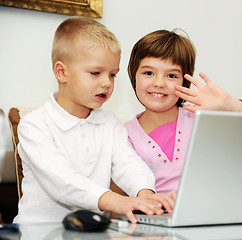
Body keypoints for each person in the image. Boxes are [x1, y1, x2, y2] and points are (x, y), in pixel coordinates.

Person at [13, 17, 174, 225]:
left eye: (113, 75)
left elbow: (129, 163)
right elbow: (62, 180)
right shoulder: (34, 125)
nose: (107, 82)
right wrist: (117, 202)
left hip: (96, 230)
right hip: (40, 232)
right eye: (96, 73)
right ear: (62, 72)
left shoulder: (109, 122)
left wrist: (145, 194)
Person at [124, 29, 242, 194]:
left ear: (185, 81)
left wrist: (230, 104)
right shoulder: (124, 134)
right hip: (155, 215)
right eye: (148, 73)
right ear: (133, 75)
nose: (159, 83)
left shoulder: (201, 120)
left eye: (171, 76)